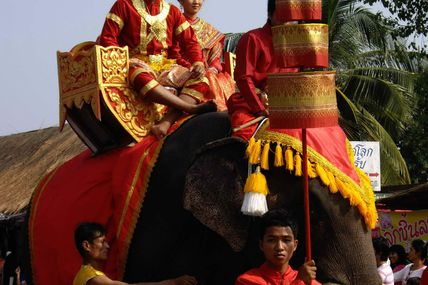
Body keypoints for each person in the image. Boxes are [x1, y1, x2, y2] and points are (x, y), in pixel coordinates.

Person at [99, 0, 217, 139]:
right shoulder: (124, 4)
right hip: (136, 62)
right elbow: (107, 39)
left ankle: (166, 122)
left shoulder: (172, 11)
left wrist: (198, 62)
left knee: (201, 79)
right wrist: (120, 62)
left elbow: (190, 42)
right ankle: (189, 108)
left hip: (165, 65)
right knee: (139, 75)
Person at [73, 222, 197, 285]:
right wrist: (172, 283)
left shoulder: (86, 274)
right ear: (87, 246)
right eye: (102, 242)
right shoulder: (92, 277)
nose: (107, 246)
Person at [170, 0, 235, 111]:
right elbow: (172, 54)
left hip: (207, 71)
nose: (196, 2)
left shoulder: (210, 31)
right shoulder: (173, 23)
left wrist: (211, 69)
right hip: (181, 69)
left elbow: (215, 60)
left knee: (219, 80)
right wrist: (192, 68)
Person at [235, 209, 320, 285]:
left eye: (286, 240)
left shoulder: (309, 282)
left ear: (295, 245)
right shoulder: (247, 280)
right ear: (261, 245)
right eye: (271, 240)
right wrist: (299, 282)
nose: (279, 247)